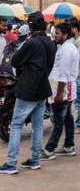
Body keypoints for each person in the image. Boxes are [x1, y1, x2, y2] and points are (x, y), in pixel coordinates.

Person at [0, 12, 56, 175]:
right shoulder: (50, 42)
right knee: (38, 125)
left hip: (28, 88)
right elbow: (49, 65)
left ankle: (11, 163)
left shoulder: (31, 43)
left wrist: (27, 69)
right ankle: (34, 159)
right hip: (42, 87)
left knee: (17, 125)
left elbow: (16, 61)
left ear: (30, 27)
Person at [40, 22, 79, 161]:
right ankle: (69, 146)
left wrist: (58, 94)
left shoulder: (67, 50)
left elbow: (64, 74)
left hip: (63, 90)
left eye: (57, 33)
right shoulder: (65, 48)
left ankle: (50, 149)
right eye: (54, 32)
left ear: (65, 35)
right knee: (67, 118)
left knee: (58, 120)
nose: (54, 35)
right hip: (65, 89)